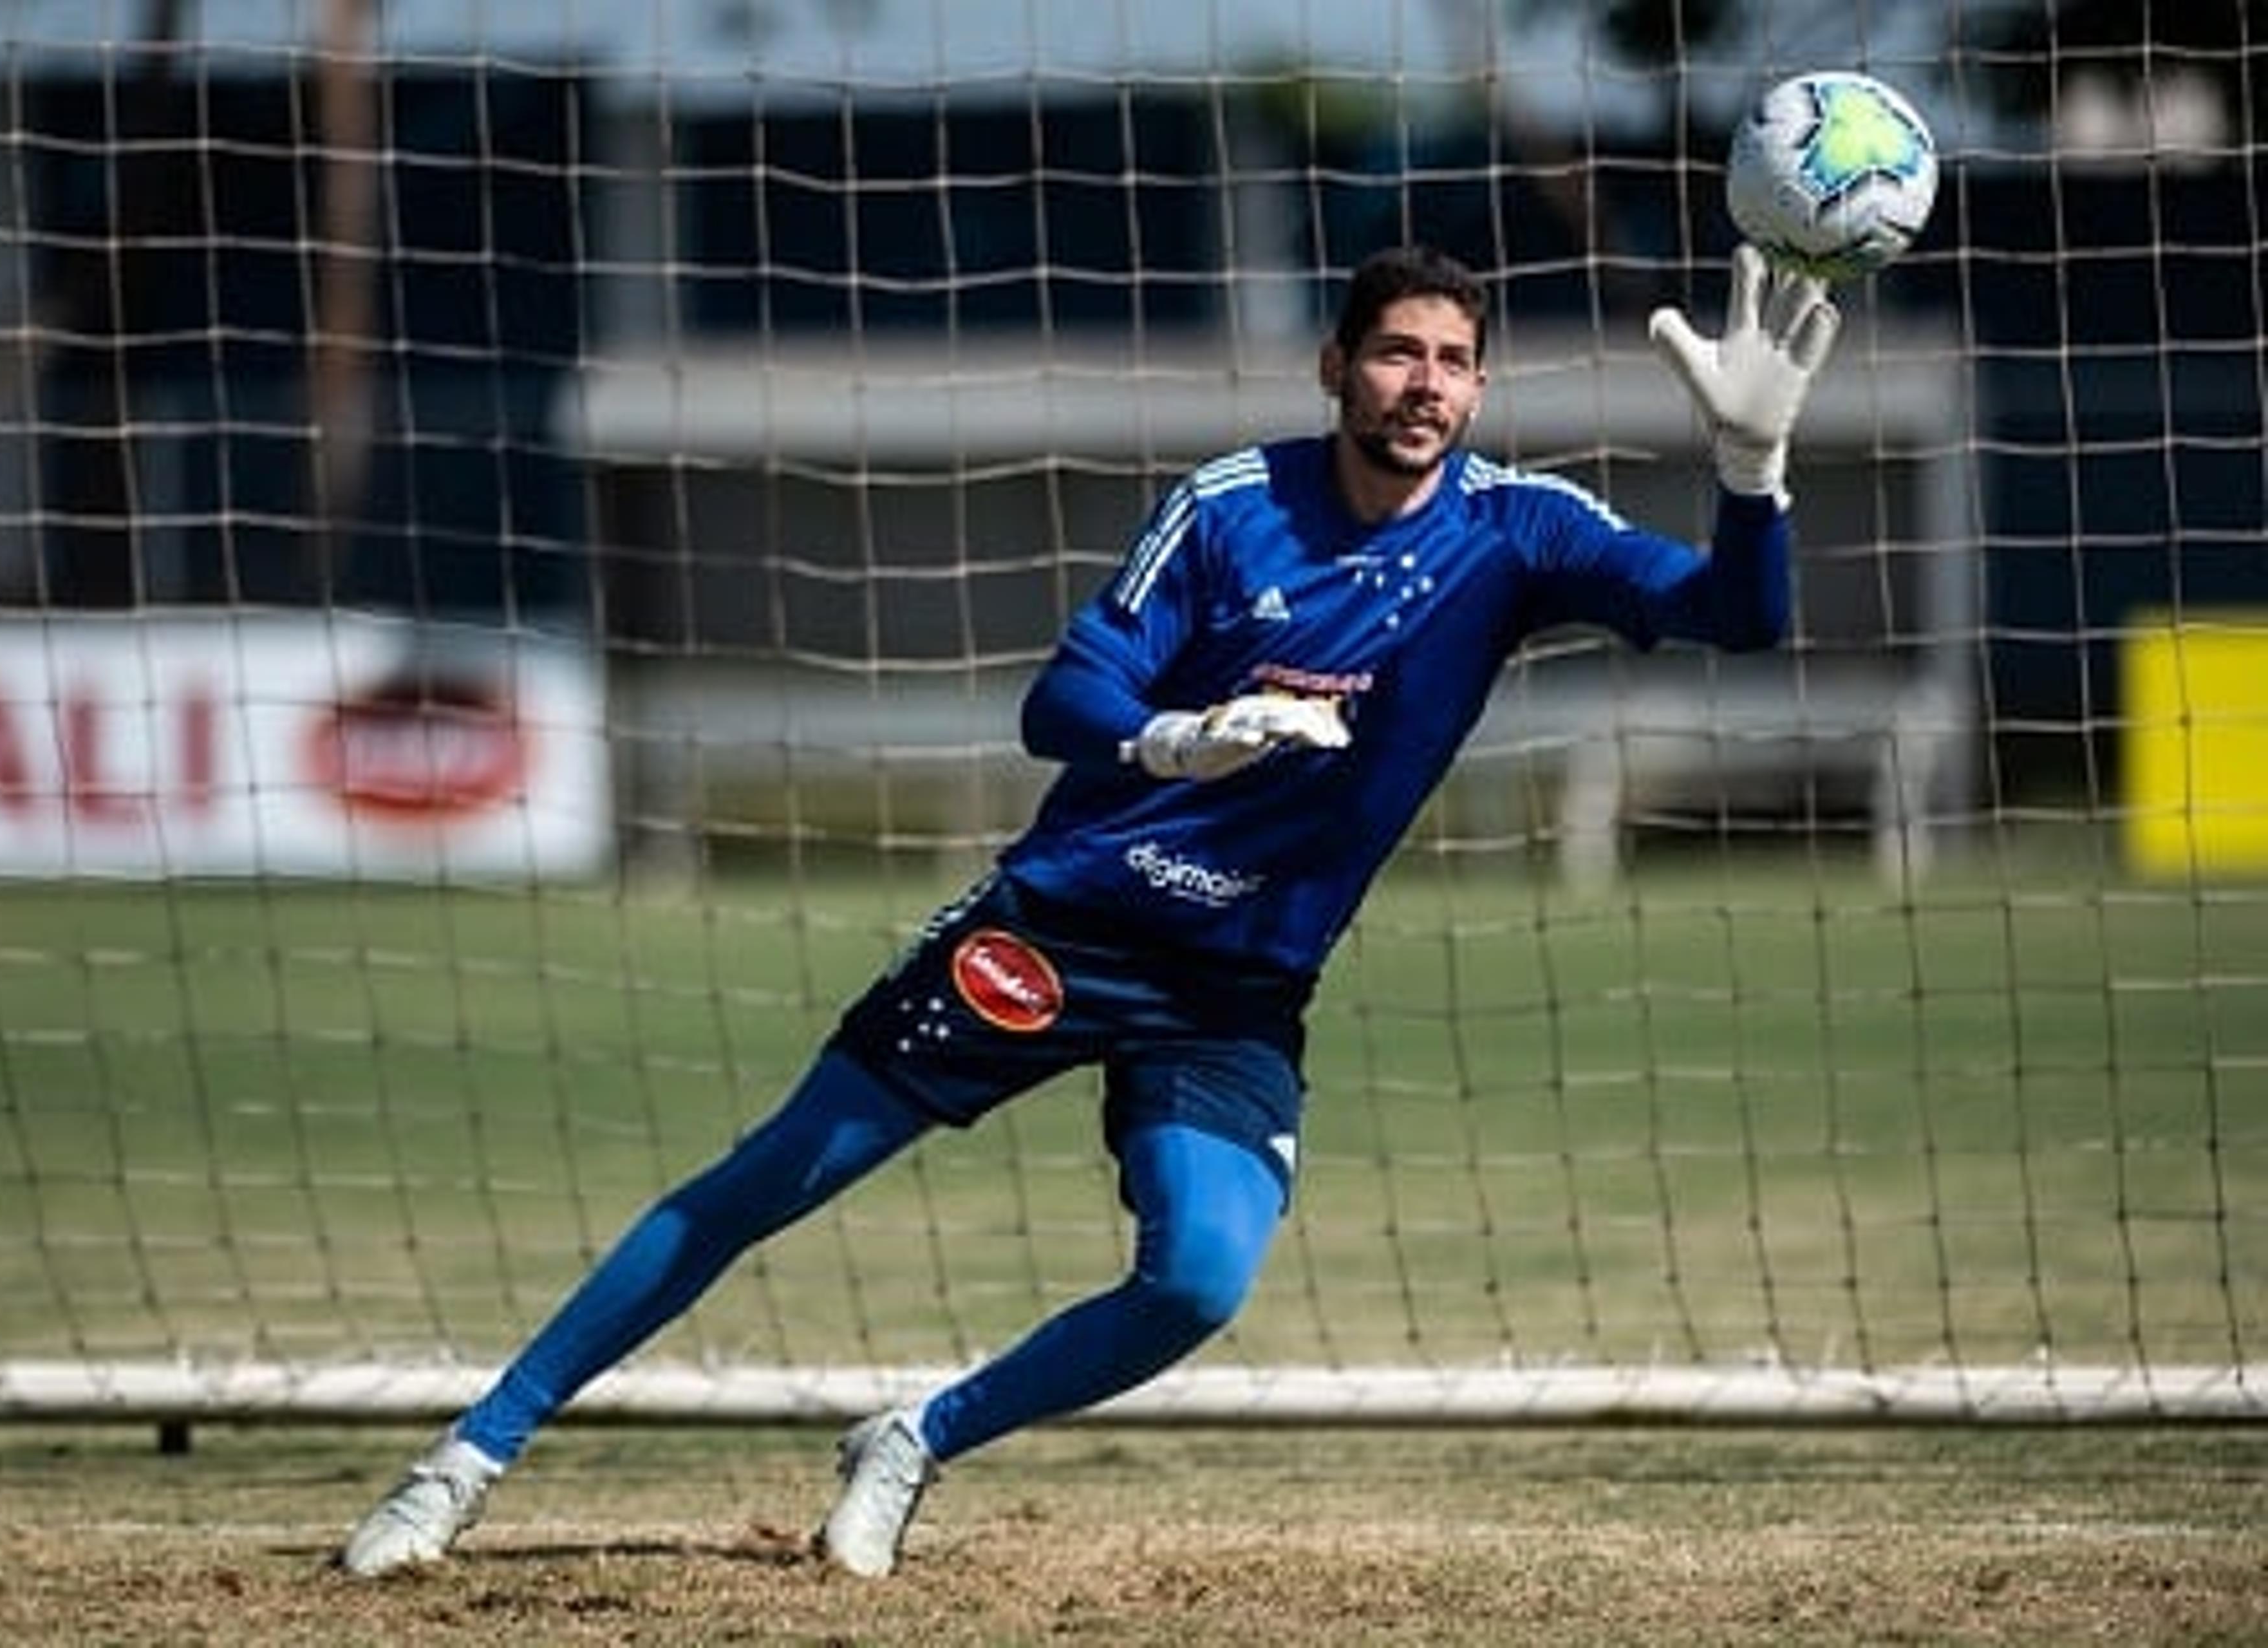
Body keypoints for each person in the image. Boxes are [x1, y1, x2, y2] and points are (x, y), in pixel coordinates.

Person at [336, 241, 1840, 1580]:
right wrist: (1173, 737)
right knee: (770, 1176)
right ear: (1336, 365)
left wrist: (1754, 471)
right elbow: (1060, 697)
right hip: (1066, 931)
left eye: (1452, 360)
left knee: (1195, 1278)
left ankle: (913, 1438)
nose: (1423, 384)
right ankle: (460, 1463)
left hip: (1234, 988)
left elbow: (1742, 618)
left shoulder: (1521, 533)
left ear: (1480, 383)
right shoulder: (1231, 507)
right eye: (1395, 351)